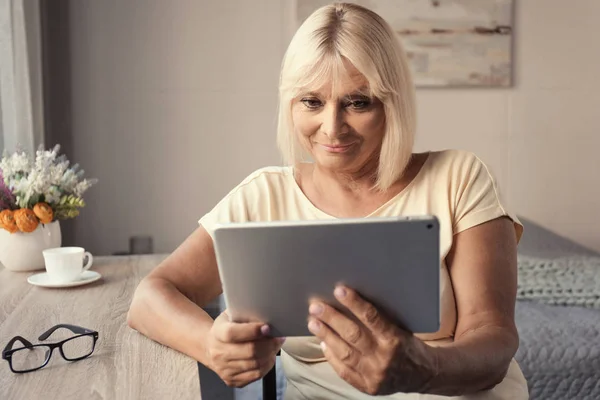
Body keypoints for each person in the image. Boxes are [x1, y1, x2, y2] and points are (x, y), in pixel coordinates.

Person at [127, 3, 529, 399]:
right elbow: (149, 298)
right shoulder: (265, 196)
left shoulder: (459, 177)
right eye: (312, 102)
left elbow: (493, 341)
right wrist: (211, 345)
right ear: (291, 104)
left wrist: (422, 369)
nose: (332, 128)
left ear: (391, 104)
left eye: (358, 102)